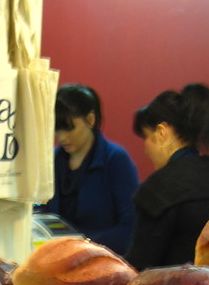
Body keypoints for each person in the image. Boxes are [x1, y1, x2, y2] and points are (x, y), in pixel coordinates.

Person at [125, 83, 209, 270]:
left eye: (146, 137)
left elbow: (139, 266)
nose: (146, 149)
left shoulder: (158, 190)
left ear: (162, 132)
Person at [42, 84, 139, 256]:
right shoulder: (53, 160)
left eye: (69, 128)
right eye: (57, 129)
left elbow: (130, 227)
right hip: (59, 258)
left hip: (104, 260)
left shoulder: (115, 159)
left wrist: (84, 247)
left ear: (91, 120)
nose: (62, 137)